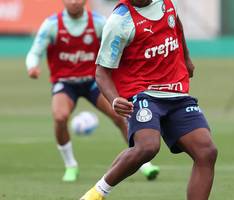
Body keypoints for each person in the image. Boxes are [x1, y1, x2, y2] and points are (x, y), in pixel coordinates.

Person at [80, 0, 218, 199]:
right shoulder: (120, 21)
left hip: (175, 92)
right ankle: (97, 193)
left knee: (207, 151)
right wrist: (114, 99)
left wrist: (186, 58)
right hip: (142, 92)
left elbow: (176, 28)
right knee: (147, 147)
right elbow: (102, 72)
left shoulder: (169, 3)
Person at [25, 0, 159, 182]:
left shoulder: (98, 22)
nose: (74, 2)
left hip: (93, 82)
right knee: (59, 117)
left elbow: (117, 43)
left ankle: (144, 163)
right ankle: (71, 165)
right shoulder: (52, 24)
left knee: (121, 115)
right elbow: (35, 51)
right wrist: (32, 66)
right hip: (65, 83)